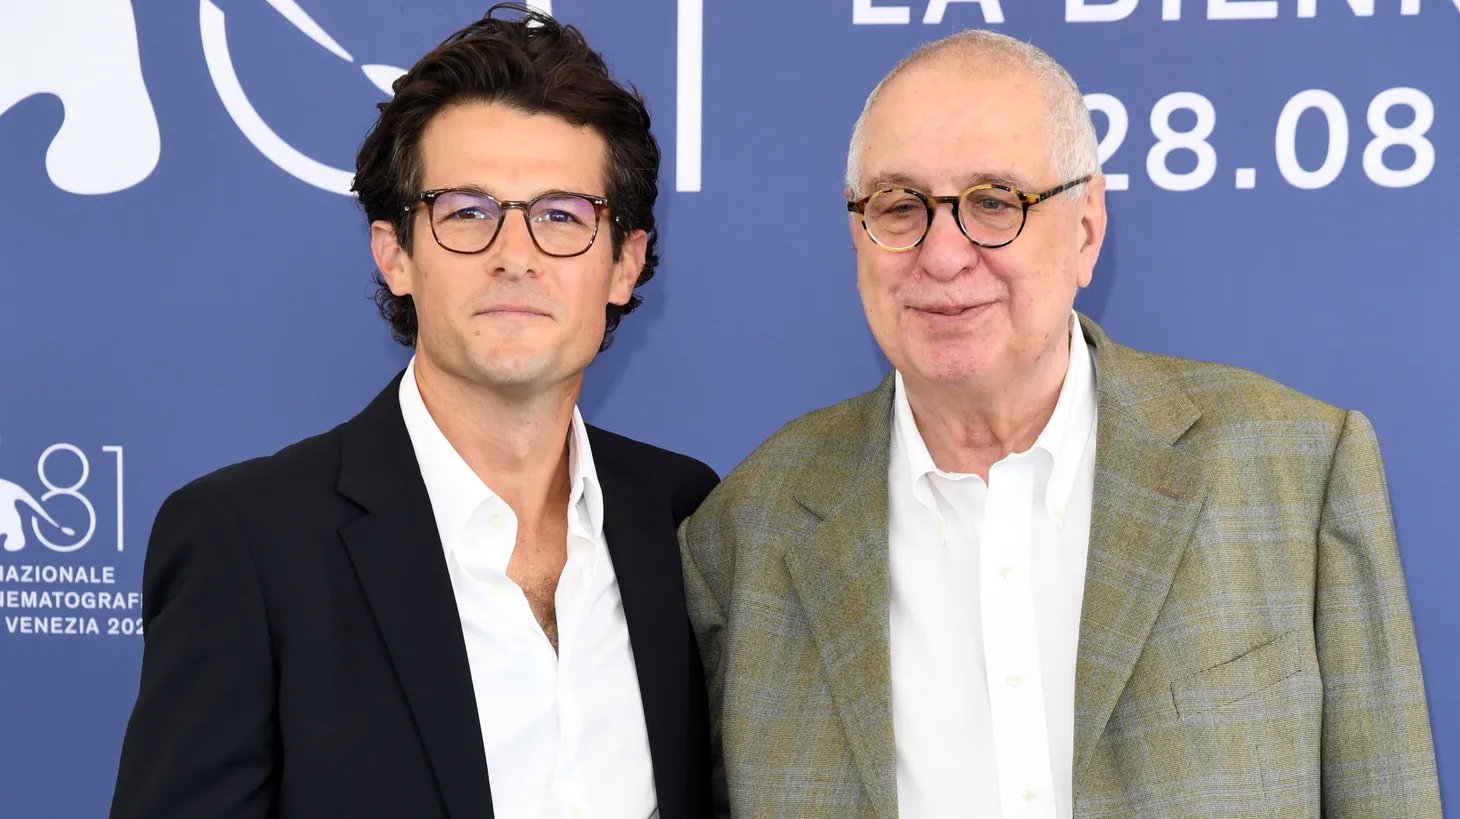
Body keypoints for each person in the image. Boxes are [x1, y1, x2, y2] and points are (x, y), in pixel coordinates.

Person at [679, 29, 1441, 819]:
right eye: (900, 207)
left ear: (1085, 228)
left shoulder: (1297, 470)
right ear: (855, 233)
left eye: (994, 203)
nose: (944, 255)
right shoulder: (745, 534)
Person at [111, 6, 717, 818]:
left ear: (624, 263)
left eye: (562, 216)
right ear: (395, 252)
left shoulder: (687, 518)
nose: (515, 254)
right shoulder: (246, 545)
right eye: (467, 212)